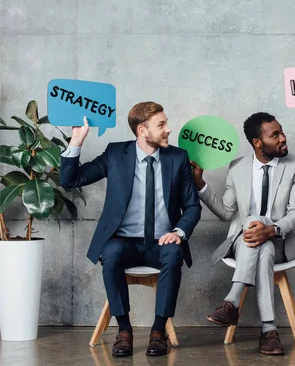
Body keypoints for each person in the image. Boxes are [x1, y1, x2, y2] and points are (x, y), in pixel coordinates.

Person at [60, 102, 201, 357]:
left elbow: (192, 206)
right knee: (110, 253)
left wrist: (178, 232)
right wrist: (77, 141)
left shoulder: (177, 158)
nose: (168, 129)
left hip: (161, 242)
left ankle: (158, 332)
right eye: (161, 125)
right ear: (142, 130)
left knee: (173, 255)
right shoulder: (116, 154)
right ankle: (124, 331)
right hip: (124, 242)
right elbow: (70, 180)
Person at [191, 112, 295, 356]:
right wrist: (200, 184)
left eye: (282, 132)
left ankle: (232, 302)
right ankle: (269, 331)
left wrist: (271, 229)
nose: (283, 138)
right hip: (246, 242)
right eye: (274, 135)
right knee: (256, 233)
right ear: (257, 142)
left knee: (259, 230)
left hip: (281, 241)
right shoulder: (237, 167)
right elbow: (226, 212)